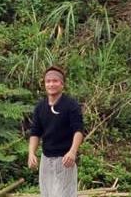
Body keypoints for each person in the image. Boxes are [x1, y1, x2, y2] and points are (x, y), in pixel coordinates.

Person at [28, 66, 85, 197]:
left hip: (65, 159)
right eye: (48, 81)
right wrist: (31, 153)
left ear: (62, 84)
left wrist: (72, 152)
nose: (51, 84)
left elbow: (78, 130)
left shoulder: (71, 105)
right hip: (46, 159)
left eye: (55, 81)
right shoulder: (40, 107)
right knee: (47, 194)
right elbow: (35, 132)